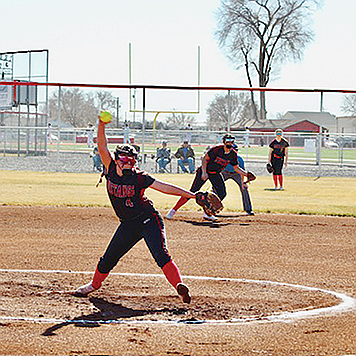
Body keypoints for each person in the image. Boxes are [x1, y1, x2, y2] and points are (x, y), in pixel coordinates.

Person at [73, 117, 197, 304]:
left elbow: (165, 187)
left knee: (161, 255)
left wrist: (193, 195)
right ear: (116, 159)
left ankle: (180, 287)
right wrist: (100, 125)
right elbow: (101, 145)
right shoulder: (110, 168)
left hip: (148, 220)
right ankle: (93, 285)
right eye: (124, 158)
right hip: (128, 225)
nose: (129, 162)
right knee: (108, 258)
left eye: (132, 159)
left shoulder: (139, 177)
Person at [166, 134, 249, 221]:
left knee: (222, 193)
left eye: (231, 141)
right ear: (224, 142)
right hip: (204, 170)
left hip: (215, 173)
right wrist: (204, 172)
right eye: (227, 141)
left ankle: (208, 213)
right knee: (192, 191)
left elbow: (236, 168)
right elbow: (204, 159)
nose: (229, 143)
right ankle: (173, 210)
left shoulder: (233, 154)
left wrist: (246, 174)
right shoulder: (217, 149)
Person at [216, 144, 254, 216]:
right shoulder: (224, 157)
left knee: (244, 188)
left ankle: (248, 209)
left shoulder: (239, 159)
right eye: (233, 149)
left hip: (236, 174)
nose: (234, 151)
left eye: (236, 150)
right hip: (224, 172)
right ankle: (212, 207)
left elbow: (242, 172)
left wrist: (243, 183)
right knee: (216, 188)